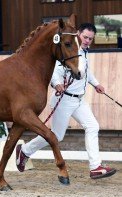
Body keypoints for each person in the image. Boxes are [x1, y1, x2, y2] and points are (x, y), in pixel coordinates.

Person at [16, 23, 117, 180]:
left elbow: (86, 72)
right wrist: (57, 83)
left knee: (92, 126)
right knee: (57, 135)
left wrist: (96, 84)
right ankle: (25, 151)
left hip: (79, 100)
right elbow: (56, 72)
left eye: (90, 38)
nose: (87, 40)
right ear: (78, 34)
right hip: (64, 99)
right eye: (85, 37)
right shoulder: (67, 50)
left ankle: (95, 167)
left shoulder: (83, 53)